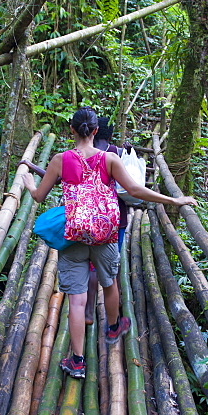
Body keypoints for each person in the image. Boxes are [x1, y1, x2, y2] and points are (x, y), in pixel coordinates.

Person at [21, 107, 196, 379]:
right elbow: (136, 190)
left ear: (71, 130)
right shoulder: (110, 159)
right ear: (94, 131)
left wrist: (28, 182)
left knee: (77, 300)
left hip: (75, 234)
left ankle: (77, 361)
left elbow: (39, 197)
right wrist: (175, 200)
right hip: (105, 234)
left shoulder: (60, 160)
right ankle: (114, 328)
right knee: (109, 282)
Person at [85, 115, 128, 325]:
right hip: (114, 220)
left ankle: (88, 311)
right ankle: (115, 315)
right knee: (111, 267)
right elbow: (132, 186)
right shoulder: (117, 154)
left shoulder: (83, 155)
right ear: (110, 134)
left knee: (92, 266)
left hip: (89, 219)